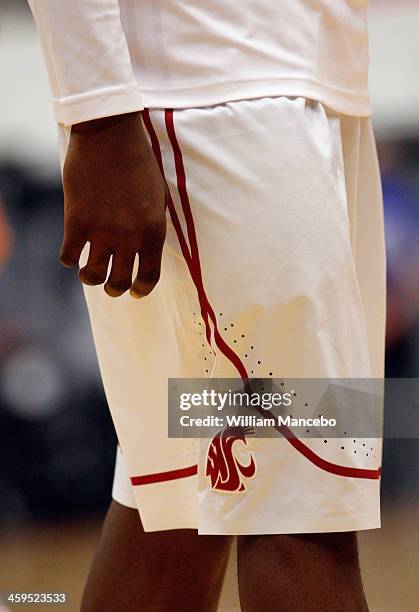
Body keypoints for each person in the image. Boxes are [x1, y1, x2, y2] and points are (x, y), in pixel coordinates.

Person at [27, 1, 386, 610]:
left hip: (310, 74)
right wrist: (99, 113)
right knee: (301, 511)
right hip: (216, 100)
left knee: (178, 517)